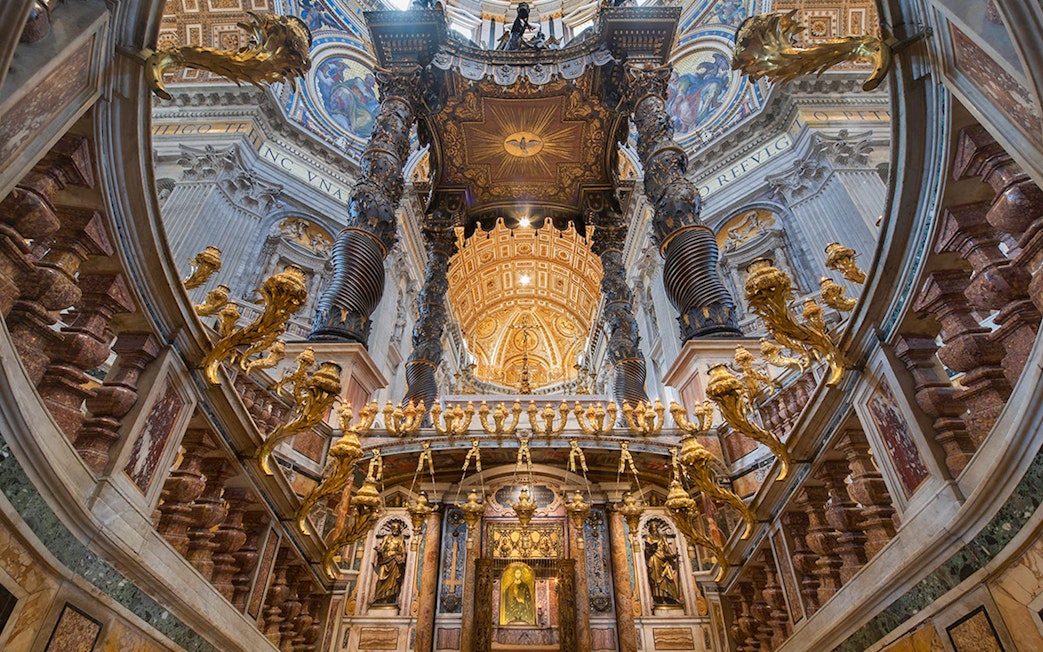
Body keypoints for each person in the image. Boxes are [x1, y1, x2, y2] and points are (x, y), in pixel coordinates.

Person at [644, 521, 683, 606]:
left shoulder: (662, 537)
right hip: (654, 560)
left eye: (655, 528)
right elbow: (647, 551)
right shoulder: (648, 538)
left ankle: (671, 597)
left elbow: (667, 549)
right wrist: (650, 549)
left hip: (664, 560)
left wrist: (672, 556)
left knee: (668, 578)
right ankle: (658, 598)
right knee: (655, 580)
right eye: (652, 529)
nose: (654, 530)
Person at [371, 521, 407, 605]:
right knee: (381, 578)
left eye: (397, 529)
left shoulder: (400, 539)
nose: (396, 530)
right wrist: (378, 550)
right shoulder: (386, 537)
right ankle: (379, 597)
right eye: (394, 528)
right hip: (385, 559)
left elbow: (402, 551)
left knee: (393, 581)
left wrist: (401, 557)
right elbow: (382, 548)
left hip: (394, 561)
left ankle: (390, 599)